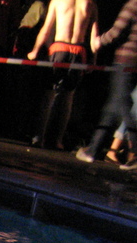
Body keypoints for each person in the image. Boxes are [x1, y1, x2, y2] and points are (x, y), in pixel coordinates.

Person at [75, 0, 137, 165]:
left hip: (125, 60)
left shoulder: (134, 5)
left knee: (122, 104)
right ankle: (93, 149)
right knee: (113, 106)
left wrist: (99, 41)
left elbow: (118, 31)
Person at [27, 0, 100, 149]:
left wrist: (35, 50)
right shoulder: (90, 4)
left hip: (59, 48)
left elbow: (46, 29)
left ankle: (39, 138)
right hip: (79, 52)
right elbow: (94, 37)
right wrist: (93, 59)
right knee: (68, 97)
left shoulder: (58, 1)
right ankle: (57, 140)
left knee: (49, 94)